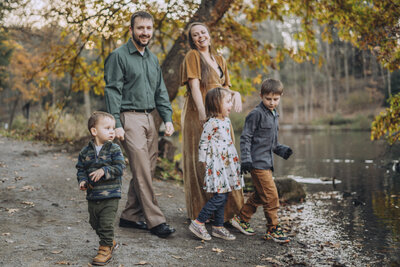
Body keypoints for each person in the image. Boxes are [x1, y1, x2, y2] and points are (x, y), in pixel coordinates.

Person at [104, 11, 175, 238]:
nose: (145, 32)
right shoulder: (119, 56)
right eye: (140, 28)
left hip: (149, 118)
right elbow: (113, 91)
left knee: (147, 169)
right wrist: (116, 123)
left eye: (148, 28)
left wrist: (167, 118)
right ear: (131, 30)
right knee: (142, 169)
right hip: (129, 118)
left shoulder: (153, 59)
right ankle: (156, 221)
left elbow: (160, 91)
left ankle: (130, 216)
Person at [180, 22, 244, 222]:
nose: (200, 36)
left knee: (225, 158)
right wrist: (202, 114)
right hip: (198, 112)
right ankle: (202, 212)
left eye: (203, 32)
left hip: (220, 115)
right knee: (204, 160)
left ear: (209, 35)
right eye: (195, 35)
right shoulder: (193, 56)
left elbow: (224, 88)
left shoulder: (219, 59)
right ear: (192, 39)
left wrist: (236, 94)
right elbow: (195, 86)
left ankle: (228, 213)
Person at [230, 78, 293, 243]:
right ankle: (273, 228)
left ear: (280, 97)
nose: (272, 102)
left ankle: (241, 219)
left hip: (267, 162)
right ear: (261, 96)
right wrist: (246, 160)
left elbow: (271, 143)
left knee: (260, 194)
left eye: (276, 99)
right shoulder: (255, 114)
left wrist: (282, 150)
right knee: (272, 196)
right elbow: (245, 138)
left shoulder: (274, 115)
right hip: (256, 164)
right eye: (268, 99)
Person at [188, 87, 244, 241]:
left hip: (226, 165)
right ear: (216, 104)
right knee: (219, 196)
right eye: (227, 102)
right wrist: (205, 162)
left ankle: (218, 227)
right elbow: (203, 143)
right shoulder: (211, 123)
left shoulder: (226, 121)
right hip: (216, 166)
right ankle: (198, 222)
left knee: (224, 195)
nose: (230, 105)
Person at [76, 111, 126, 265]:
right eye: (107, 128)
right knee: (94, 222)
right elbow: (81, 169)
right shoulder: (85, 152)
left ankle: (104, 249)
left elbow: (120, 167)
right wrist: (83, 180)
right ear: (94, 131)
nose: (112, 131)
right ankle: (109, 241)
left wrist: (104, 170)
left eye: (113, 128)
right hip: (93, 195)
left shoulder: (114, 149)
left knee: (106, 223)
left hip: (111, 194)